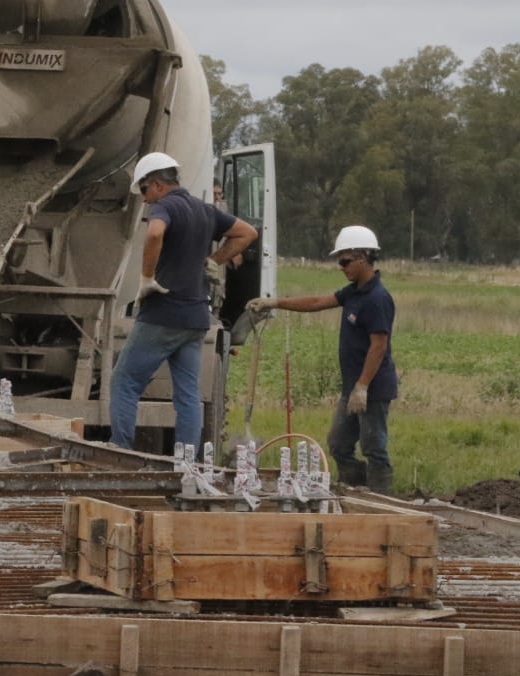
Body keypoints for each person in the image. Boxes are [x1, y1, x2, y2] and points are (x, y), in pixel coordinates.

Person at [109, 153, 258, 452]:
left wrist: (147, 277)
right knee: (188, 396)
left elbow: (154, 233)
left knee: (124, 382)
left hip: (162, 316)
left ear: (157, 184)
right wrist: (214, 260)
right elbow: (248, 232)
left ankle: (120, 451)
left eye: (144, 190)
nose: (144, 198)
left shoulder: (165, 206)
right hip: (196, 319)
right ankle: (187, 463)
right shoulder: (205, 210)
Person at [247, 226, 398, 493]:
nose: (341, 267)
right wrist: (275, 303)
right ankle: (356, 489)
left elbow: (379, 346)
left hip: (371, 389)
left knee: (374, 447)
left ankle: (380, 501)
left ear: (363, 258)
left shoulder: (377, 299)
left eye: (345, 261)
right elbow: (317, 302)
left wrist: (362, 386)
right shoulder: (354, 292)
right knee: (338, 444)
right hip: (353, 387)